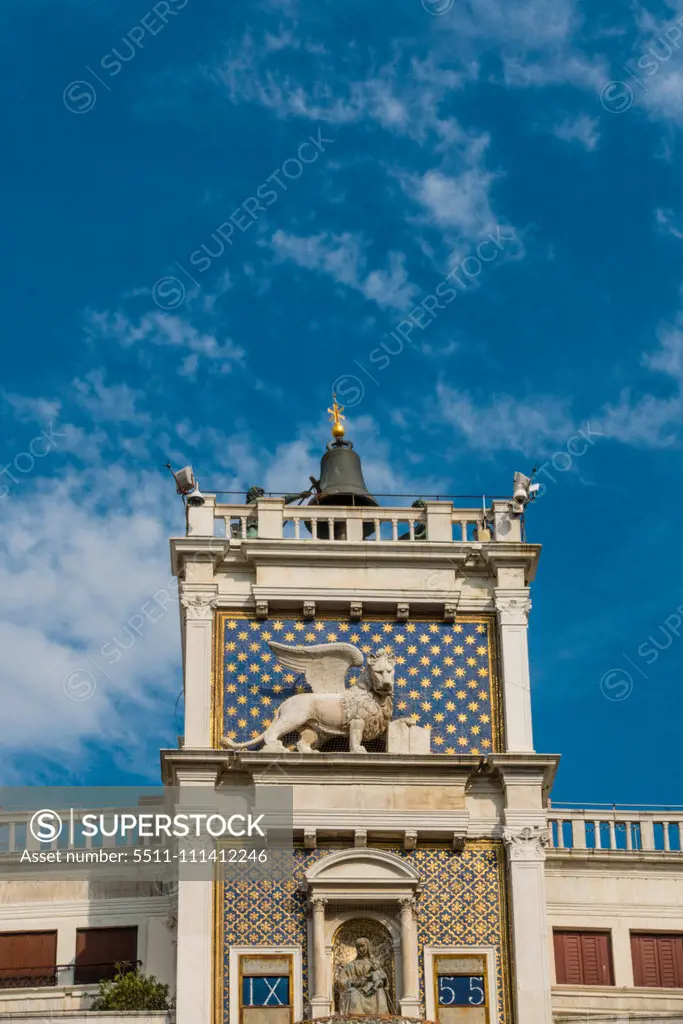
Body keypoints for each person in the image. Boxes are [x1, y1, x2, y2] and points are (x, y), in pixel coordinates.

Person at [335, 937, 389, 1015]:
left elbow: (382, 976)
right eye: (358, 947)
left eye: (362, 946)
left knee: (379, 990)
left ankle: (381, 1018)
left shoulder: (374, 963)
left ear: (367, 947)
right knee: (354, 994)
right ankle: (355, 1019)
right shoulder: (351, 965)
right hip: (357, 989)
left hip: (372, 989)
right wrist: (353, 983)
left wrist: (381, 982)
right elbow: (341, 980)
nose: (360, 949)